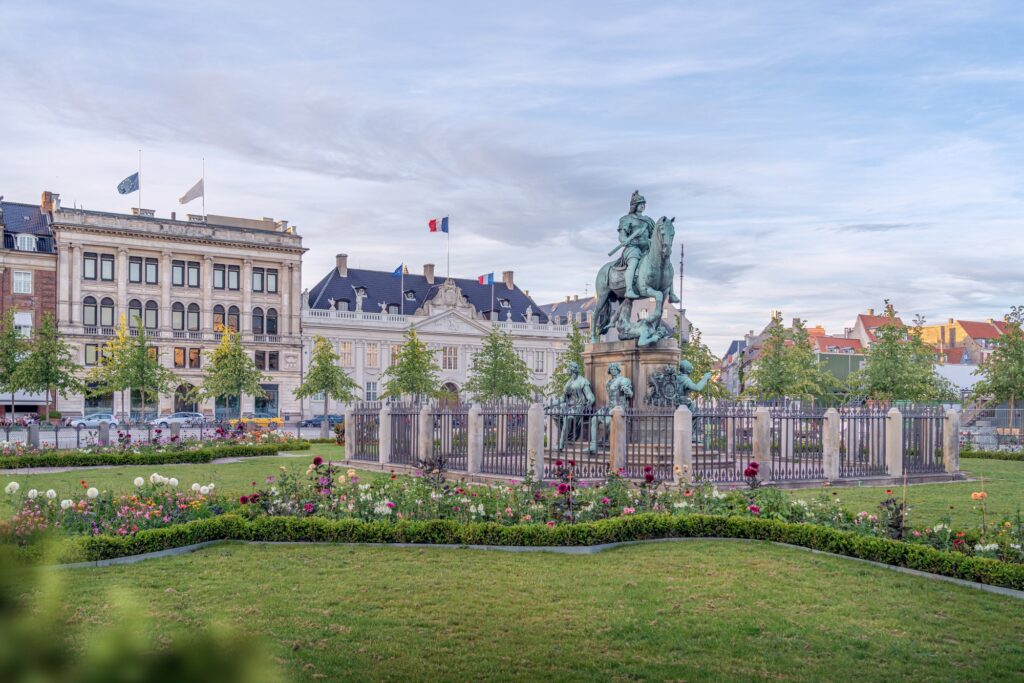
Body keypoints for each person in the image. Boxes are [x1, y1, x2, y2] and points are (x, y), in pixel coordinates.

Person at [617, 191, 656, 298]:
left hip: (646, 248)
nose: (643, 206)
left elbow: (653, 236)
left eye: (644, 204)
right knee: (634, 261)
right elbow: (622, 235)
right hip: (633, 248)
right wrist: (624, 239)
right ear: (634, 206)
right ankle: (629, 289)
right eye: (640, 204)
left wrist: (652, 241)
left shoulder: (649, 221)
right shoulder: (626, 219)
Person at [589, 363, 633, 453]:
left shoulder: (623, 380)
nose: (613, 371)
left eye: (614, 369)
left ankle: (610, 442)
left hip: (619, 407)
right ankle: (593, 445)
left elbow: (630, 394)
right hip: (609, 407)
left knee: (609, 422)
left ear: (618, 369)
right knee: (594, 419)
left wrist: (627, 391)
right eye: (611, 369)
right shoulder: (608, 382)